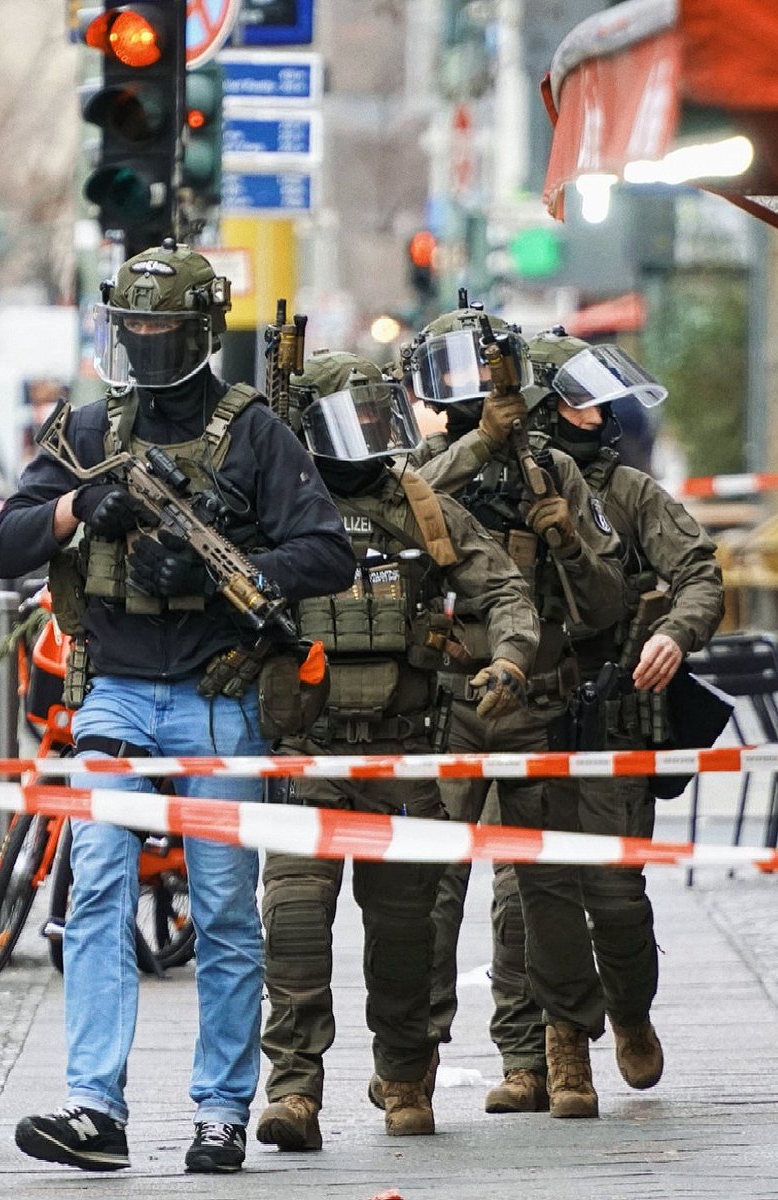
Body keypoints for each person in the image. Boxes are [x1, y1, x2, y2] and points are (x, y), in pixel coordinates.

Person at [0, 239, 356, 1175]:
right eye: (132, 326)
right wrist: (79, 511)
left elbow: (327, 552)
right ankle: (92, 1108)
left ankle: (221, 1110)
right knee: (98, 889)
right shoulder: (90, 431)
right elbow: (10, 541)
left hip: (217, 697)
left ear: (199, 332)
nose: (145, 342)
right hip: (113, 695)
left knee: (224, 906)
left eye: (161, 327)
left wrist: (217, 570)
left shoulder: (255, 434)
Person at [255, 350, 540, 1150]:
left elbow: (504, 589)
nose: (365, 437)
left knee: (407, 935)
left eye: (374, 419)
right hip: (307, 754)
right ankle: (295, 1093)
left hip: (401, 753)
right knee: (295, 924)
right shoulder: (270, 510)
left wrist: (510, 658)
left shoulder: (421, 507)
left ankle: (407, 1080)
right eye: (348, 422)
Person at [367, 303, 629, 1120]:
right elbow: (410, 503)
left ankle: (563, 1051)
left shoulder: (554, 470)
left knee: (546, 887)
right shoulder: (420, 468)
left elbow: (606, 602)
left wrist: (568, 543)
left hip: (535, 699)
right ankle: (410, 1062)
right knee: (428, 890)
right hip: (442, 702)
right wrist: (479, 443)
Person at [482, 329, 724, 1115]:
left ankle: (630, 1013)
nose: (598, 415)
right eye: (579, 403)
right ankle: (551, 1052)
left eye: (598, 403)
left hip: (611, 715)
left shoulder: (628, 493)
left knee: (617, 895)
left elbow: (699, 574)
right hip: (526, 716)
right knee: (527, 893)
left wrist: (674, 634)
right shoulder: (495, 487)